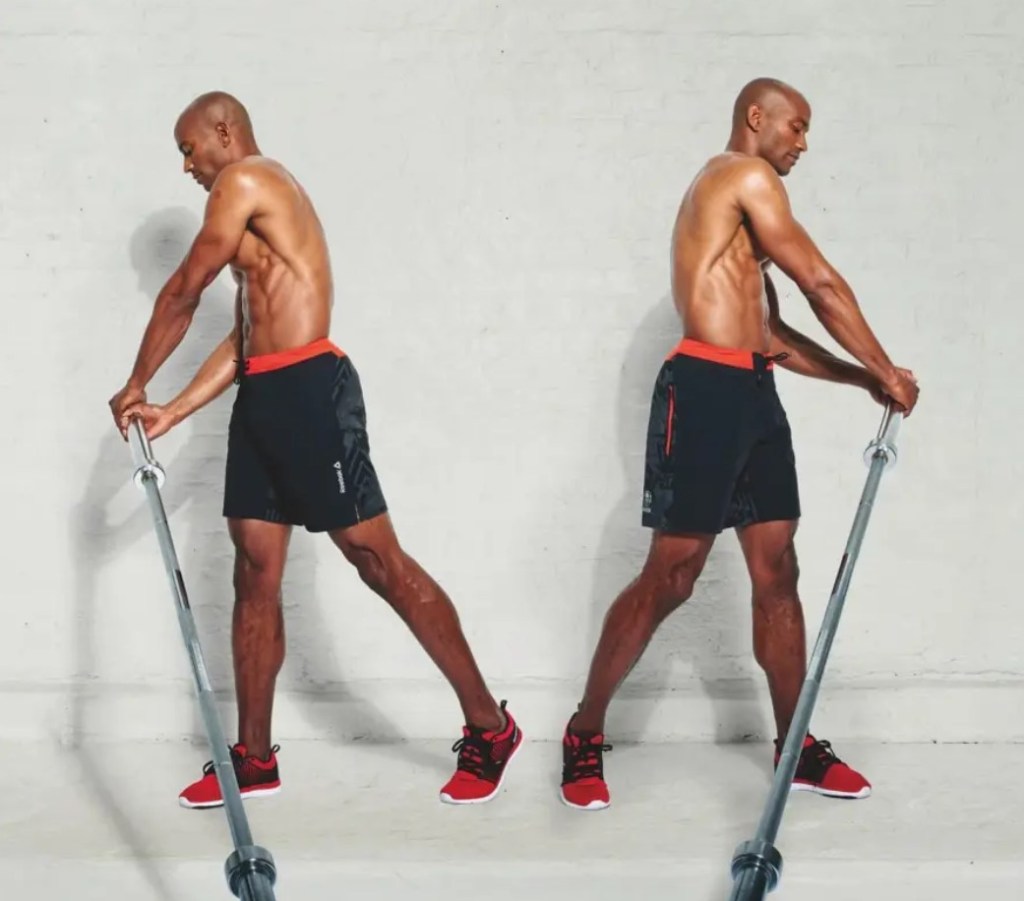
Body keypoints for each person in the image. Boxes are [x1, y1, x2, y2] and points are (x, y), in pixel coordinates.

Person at [108, 91, 521, 809]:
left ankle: (491, 725)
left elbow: (182, 290)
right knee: (254, 572)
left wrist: (136, 379)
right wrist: (173, 407)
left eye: (188, 147)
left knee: (377, 560)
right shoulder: (249, 218)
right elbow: (245, 335)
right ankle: (256, 756)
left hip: (310, 391)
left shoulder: (249, 178)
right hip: (263, 397)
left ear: (224, 132)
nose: (186, 166)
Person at [558, 77, 919, 811]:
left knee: (777, 568)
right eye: (797, 126)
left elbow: (774, 338)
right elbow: (818, 280)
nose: (803, 144)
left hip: (754, 392)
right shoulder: (739, 175)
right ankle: (584, 732)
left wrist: (861, 380)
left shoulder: (745, 226)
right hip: (703, 390)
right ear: (757, 119)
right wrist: (887, 364)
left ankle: (794, 742)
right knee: (674, 575)